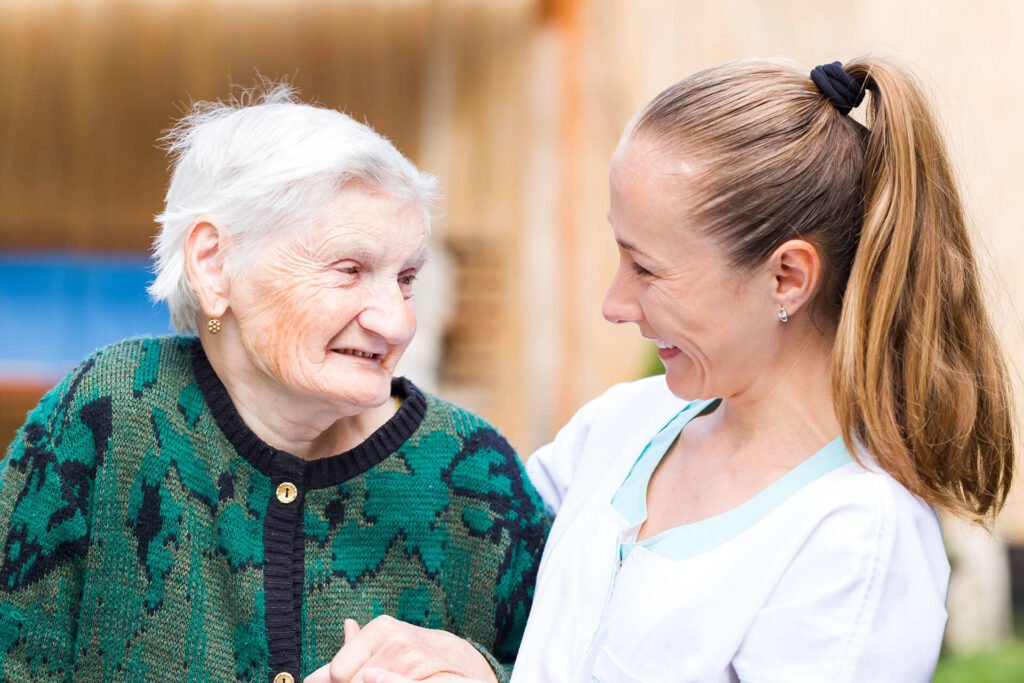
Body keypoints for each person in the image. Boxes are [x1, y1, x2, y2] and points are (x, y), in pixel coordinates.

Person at [310, 56, 1016, 683]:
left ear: (788, 278)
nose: (615, 303)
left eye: (648, 269)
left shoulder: (857, 538)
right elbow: (485, 569)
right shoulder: (623, 424)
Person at [0, 87, 549, 682]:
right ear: (214, 263)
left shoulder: (475, 474)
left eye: (407, 278)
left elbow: (576, 663)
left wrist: (485, 675)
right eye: (350, 270)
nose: (396, 322)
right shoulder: (109, 414)